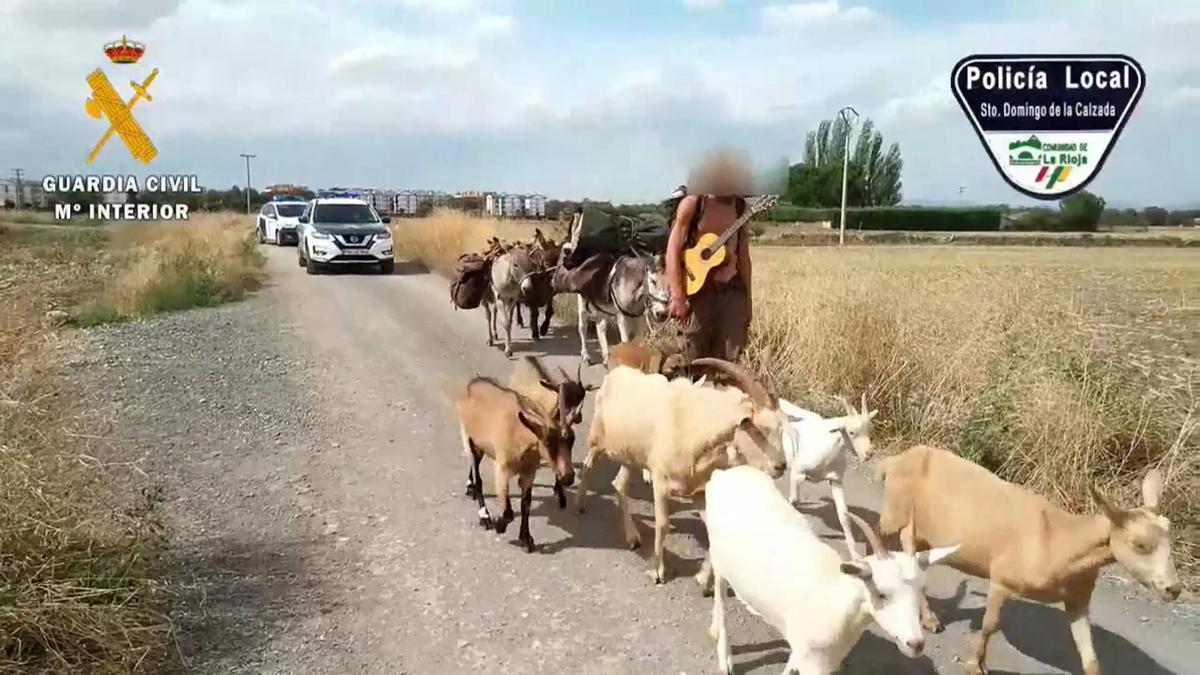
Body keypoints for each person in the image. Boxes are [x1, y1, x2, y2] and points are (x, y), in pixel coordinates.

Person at [664, 149, 754, 362]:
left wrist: (748, 300)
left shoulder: (740, 208)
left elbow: (743, 258)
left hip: (731, 293)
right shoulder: (694, 203)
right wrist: (677, 296)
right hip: (698, 295)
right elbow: (673, 250)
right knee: (690, 360)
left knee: (729, 362)